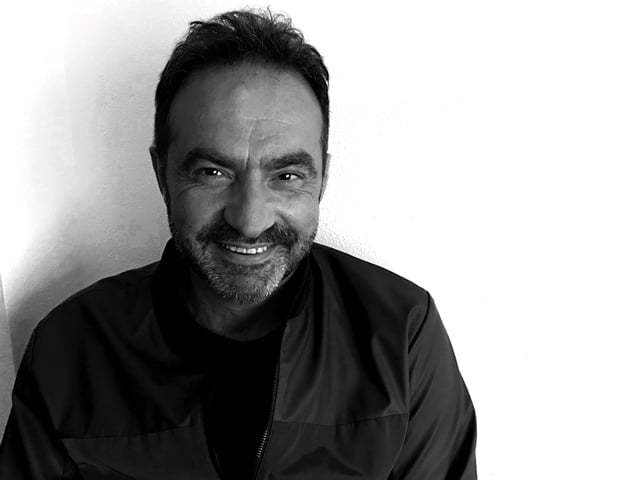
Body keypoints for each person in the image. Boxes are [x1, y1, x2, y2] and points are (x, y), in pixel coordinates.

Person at [0, 9, 477, 479]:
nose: (250, 220)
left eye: (286, 176)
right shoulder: (70, 349)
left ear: (322, 180)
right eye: (213, 172)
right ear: (162, 174)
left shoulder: (401, 335)